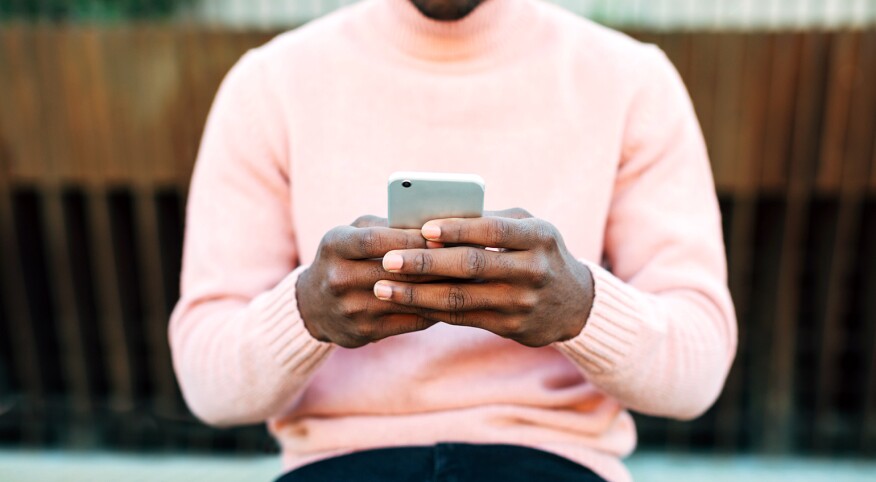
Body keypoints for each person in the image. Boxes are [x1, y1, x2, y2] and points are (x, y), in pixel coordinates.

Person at [169, 0, 738, 480]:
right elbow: (207, 382)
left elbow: (698, 367)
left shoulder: (631, 81)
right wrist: (306, 313)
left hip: (553, 461)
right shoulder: (269, 86)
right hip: (341, 463)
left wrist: (583, 309)